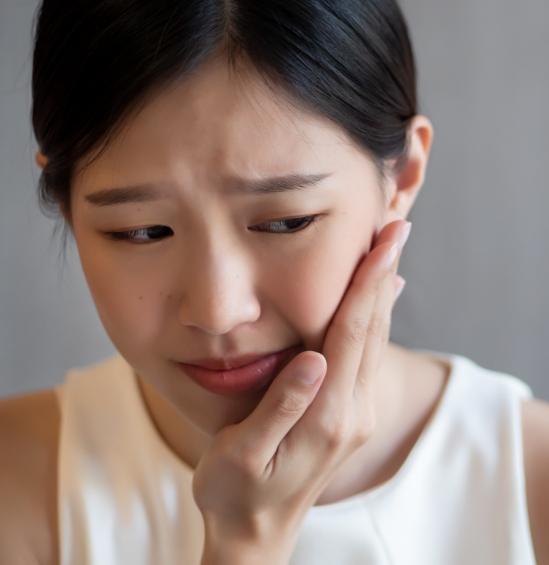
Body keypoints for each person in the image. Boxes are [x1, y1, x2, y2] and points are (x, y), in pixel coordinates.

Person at [1, 0, 548, 563]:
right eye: (142, 231)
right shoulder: (16, 486)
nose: (218, 310)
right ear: (67, 205)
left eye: (286, 222)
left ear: (403, 175)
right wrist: (245, 543)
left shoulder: (532, 479)